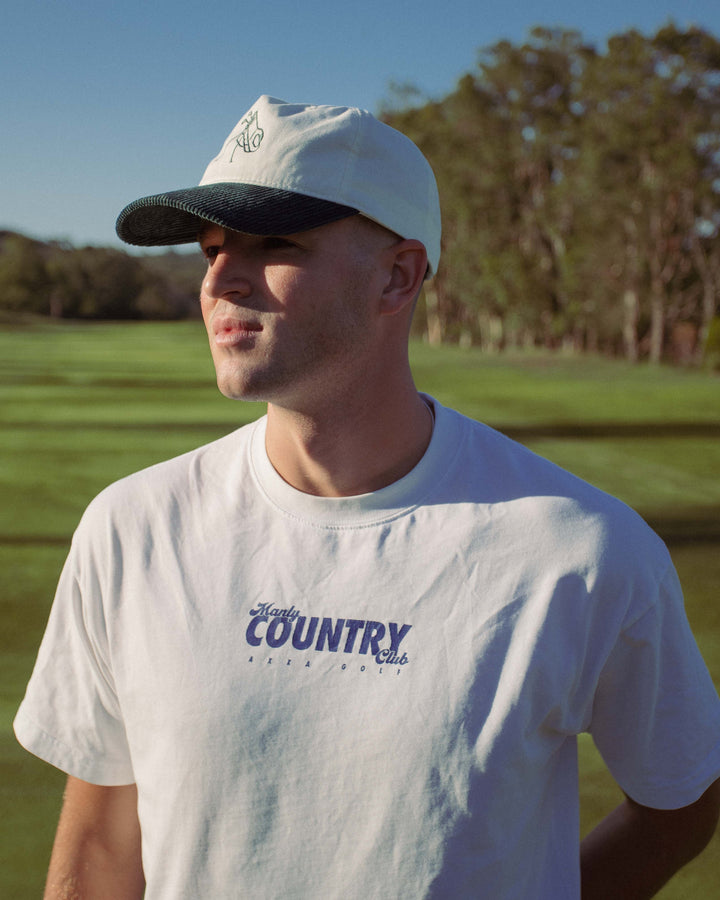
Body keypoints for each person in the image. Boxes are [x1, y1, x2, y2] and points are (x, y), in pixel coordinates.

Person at [14, 95, 720, 900]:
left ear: (399, 275)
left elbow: (681, 808)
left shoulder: (583, 550)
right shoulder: (130, 529)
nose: (221, 280)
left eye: (273, 242)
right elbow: (103, 838)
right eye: (211, 249)